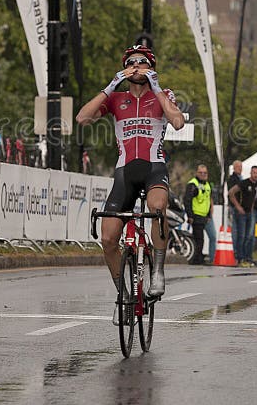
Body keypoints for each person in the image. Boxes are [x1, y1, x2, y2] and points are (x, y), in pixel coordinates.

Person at [75, 44, 184, 324]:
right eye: (131, 62)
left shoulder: (163, 95)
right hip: (124, 174)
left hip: (154, 169)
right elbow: (82, 118)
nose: (137, 66)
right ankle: (123, 296)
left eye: (143, 62)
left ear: (151, 67)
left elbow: (178, 121)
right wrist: (112, 84)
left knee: (157, 208)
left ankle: (158, 274)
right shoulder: (116, 99)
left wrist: (156, 86)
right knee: (109, 237)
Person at [229, 165, 257, 266]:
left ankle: (247, 258)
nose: (255, 175)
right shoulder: (244, 183)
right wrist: (237, 206)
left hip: (249, 213)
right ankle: (239, 258)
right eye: (253, 172)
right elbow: (231, 193)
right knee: (241, 236)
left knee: (249, 236)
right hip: (241, 213)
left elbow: (254, 198)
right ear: (250, 173)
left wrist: (252, 208)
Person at [184, 164, 214, 265]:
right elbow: (187, 201)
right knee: (199, 239)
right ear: (197, 173)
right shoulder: (193, 184)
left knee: (212, 237)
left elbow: (208, 200)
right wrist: (190, 215)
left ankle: (208, 258)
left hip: (205, 216)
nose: (203, 174)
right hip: (196, 215)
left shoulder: (207, 184)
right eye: (201, 173)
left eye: (205, 173)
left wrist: (209, 214)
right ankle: (197, 259)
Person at [227, 161, 244, 255]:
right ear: (233, 168)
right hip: (234, 207)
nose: (240, 168)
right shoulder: (232, 179)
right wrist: (237, 206)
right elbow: (231, 194)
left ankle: (239, 252)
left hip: (241, 207)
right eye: (238, 167)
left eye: (241, 166)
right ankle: (235, 252)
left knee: (241, 232)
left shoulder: (241, 178)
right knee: (235, 231)